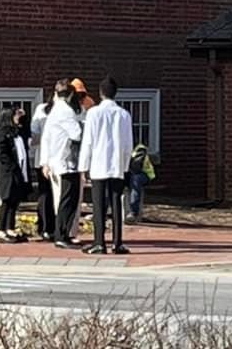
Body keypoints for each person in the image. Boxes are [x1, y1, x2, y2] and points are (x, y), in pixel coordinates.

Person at [82, 77, 134, 255]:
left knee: (98, 204)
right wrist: (125, 165)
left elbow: (88, 141)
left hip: (98, 164)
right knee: (116, 202)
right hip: (116, 164)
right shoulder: (124, 114)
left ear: (100, 93)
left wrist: (84, 166)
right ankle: (117, 242)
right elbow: (128, 144)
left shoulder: (94, 113)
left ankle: (99, 242)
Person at [39, 80, 84, 248]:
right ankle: (62, 235)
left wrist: (45, 162)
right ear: (71, 95)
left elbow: (46, 138)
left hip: (56, 161)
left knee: (63, 199)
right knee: (68, 200)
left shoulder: (54, 111)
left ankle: (63, 234)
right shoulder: (66, 111)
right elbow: (77, 134)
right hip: (66, 161)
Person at [0, 102, 30, 242]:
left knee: (15, 200)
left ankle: (10, 228)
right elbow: (2, 152)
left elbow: (27, 132)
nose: (18, 116)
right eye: (15, 114)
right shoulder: (2, 133)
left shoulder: (17, 132)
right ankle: (1, 230)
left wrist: (24, 117)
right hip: (9, 172)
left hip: (20, 170)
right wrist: (12, 166)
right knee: (7, 200)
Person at [29, 85, 55, 240]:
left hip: (53, 158)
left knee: (50, 193)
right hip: (45, 158)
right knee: (45, 193)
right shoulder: (42, 110)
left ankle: (49, 227)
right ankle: (45, 226)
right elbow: (34, 134)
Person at [126, 139, 156, 221]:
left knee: (135, 181)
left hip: (144, 174)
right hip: (131, 174)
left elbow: (136, 167)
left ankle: (133, 212)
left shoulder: (140, 150)